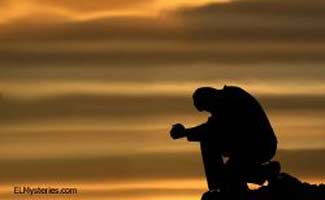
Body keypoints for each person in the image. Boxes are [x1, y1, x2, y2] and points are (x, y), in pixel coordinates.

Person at [170, 86, 280, 199]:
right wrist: (186, 133)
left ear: (210, 98)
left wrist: (185, 133)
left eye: (207, 108)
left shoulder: (230, 99)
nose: (209, 111)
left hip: (259, 146)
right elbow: (214, 126)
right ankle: (261, 174)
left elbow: (214, 128)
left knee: (210, 143)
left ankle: (260, 173)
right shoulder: (226, 98)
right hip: (248, 146)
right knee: (228, 174)